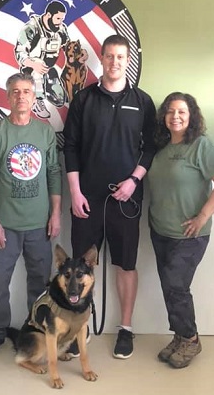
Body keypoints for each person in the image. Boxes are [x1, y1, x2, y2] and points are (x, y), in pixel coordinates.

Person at [62, 34, 157, 359]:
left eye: (120, 57)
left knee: (125, 265)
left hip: (126, 200)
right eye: (109, 56)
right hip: (86, 199)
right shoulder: (83, 100)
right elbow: (70, 147)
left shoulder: (142, 101)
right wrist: (74, 191)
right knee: (80, 267)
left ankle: (126, 329)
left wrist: (134, 180)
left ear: (127, 60)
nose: (114, 62)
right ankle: (79, 330)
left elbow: (150, 148)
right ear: (100, 59)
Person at [0, 72, 62, 358]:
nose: (21, 96)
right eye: (15, 91)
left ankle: (34, 331)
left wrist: (56, 215)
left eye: (26, 91)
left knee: (40, 284)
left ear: (33, 97)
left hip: (39, 226)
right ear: (8, 96)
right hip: (6, 227)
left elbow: (53, 174)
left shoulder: (45, 132)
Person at [146, 92, 214, 368]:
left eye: (182, 112)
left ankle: (190, 338)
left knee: (176, 286)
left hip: (189, 235)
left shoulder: (201, 145)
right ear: (164, 117)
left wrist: (202, 216)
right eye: (171, 112)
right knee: (171, 287)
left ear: (191, 115)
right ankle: (180, 336)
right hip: (160, 230)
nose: (175, 117)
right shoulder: (160, 147)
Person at [14, 0, 70, 120]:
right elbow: (20, 53)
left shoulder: (61, 29)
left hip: (48, 68)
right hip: (31, 69)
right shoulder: (31, 28)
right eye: (58, 18)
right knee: (38, 68)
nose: (60, 22)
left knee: (60, 100)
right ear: (49, 15)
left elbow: (67, 45)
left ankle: (48, 88)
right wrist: (33, 65)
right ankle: (37, 100)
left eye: (62, 19)